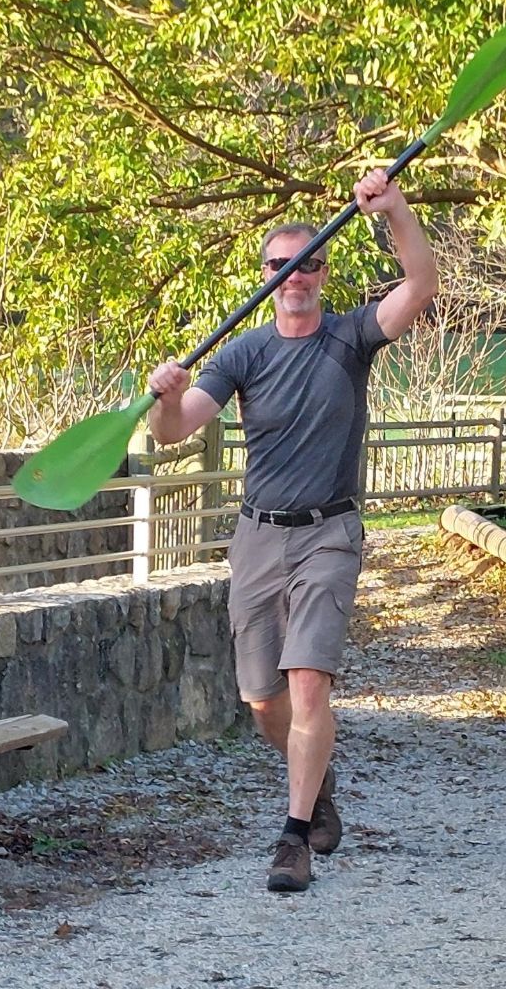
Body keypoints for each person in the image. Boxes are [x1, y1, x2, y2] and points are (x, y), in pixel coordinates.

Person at [147, 168, 438, 892]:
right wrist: (164, 398)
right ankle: (318, 788)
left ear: (323, 272)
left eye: (307, 262)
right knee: (262, 700)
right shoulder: (244, 352)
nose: (294, 276)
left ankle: (292, 836)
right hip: (256, 538)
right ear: (267, 278)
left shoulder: (349, 338)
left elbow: (420, 285)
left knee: (308, 686)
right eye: (279, 266)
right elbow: (174, 433)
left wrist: (394, 209)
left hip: (328, 534)